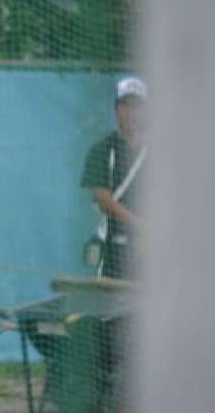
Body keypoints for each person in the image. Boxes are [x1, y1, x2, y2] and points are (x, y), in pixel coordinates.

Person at [80, 77, 147, 279]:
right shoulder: (100, 151)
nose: (130, 113)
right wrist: (141, 224)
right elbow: (104, 201)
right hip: (112, 251)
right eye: (124, 106)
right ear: (116, 110)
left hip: (149, 252)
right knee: (110, 298)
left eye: (136, 106)